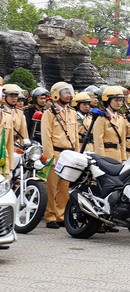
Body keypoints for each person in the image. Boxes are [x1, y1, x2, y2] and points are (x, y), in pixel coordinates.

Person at [41, 82, 79, 228]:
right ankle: (50, 216)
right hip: (56, 153)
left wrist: (76, 153)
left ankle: (61, 214)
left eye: (70, 93)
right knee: (51, 186)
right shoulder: (49, 113)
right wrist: (50, 156)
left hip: (69, 153)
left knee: (65, 187)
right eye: (66, 92)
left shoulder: (72, 112)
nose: (69, 96)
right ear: (56, 94)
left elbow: (75, 135)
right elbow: (46, 136)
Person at [92, 86, 128, 162]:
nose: (119, 103)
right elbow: (98, 141)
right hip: (106, 155)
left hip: (118, 156)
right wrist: (102, 160)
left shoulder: (121, 118)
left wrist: (124, 158)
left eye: (120, 100)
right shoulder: (101, 119)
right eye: (116, 100)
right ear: (108, 101)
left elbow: (123, 141)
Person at [1, 84, 29, 179]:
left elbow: (23, 132)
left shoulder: (20, 113)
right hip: (3, 145)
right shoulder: (2, 112)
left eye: (16, 96)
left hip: (16, 146)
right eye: (11, 96)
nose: (14, 99)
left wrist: (25, 144)